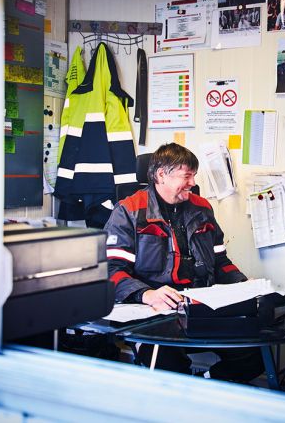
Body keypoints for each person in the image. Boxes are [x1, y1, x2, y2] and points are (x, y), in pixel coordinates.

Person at [105, 143, 264, 383]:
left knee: (253, 355)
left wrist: (243, 285)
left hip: (200, 307)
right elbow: (112, 270)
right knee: (169, 368)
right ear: (161, 175)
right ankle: (184, 393)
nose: (193, 183)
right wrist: (147, 294)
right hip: (153, 313)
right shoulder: (129, 211)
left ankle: (204, 384)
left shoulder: (202, 208)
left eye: (194, 175)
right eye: (187, 176)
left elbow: (220, 260)